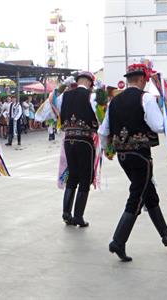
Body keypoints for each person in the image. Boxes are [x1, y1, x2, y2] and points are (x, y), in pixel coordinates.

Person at [98, 63, 167, 262]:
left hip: (123, 156)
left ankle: (165, 235)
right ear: (142, 79)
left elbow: (103, 131)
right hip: (141, 155)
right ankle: (118, 241)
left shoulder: (114, 101)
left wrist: (106, 149)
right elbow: (158, 125)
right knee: (137, 197)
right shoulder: (146, 98)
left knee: (148, 192)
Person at [56, 71, 97, 227]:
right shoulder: (91, 96)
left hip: (69, 139)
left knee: (72, 175)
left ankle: (66, 213)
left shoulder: (64, 96)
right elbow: (100, 116)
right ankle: (78, 216)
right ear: (89, 82)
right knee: (85, 178)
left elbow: (51, 106)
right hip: (85, 140)